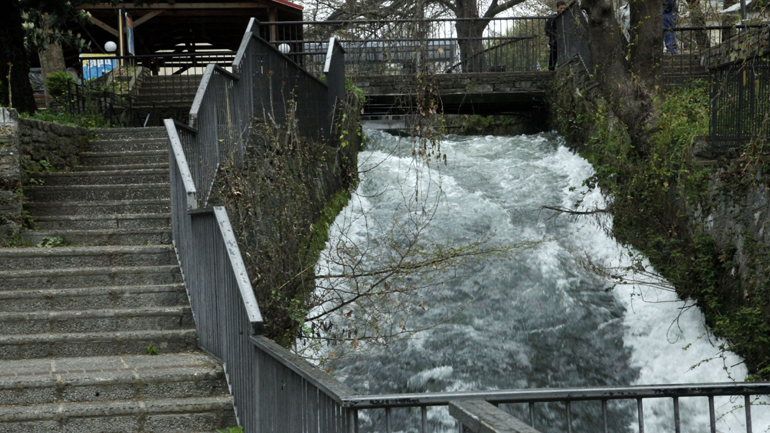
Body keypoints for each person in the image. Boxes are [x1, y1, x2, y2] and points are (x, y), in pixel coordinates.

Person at [545, 1, 568, 71]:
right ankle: (551, 69)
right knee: (553, 55)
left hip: (565, 40)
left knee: (564, 55)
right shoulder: (552, 17)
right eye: (561, 8)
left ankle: (564, 69)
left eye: (564, 8)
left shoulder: (567, 17)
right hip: (554, 41)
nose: (562, 10)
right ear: (557, 8)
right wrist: (555, 35)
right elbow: (547, 29)